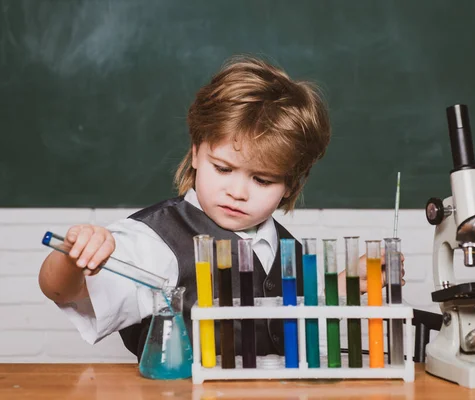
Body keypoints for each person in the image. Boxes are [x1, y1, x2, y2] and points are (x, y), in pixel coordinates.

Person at [38, 55, 403, 360]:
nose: (238, 191)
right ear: (196, 152)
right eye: (223, 168)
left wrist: (355, 280)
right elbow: (62, 291)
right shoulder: (156, 240)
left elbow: (300, 308)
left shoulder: (283, 244)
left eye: (262, 180)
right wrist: (74, 256)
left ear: (291, 182)